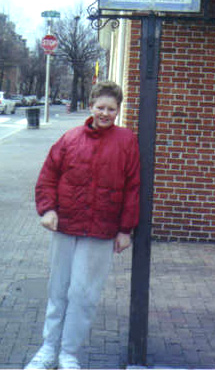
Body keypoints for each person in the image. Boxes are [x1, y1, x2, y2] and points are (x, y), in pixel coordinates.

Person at [24, 81, 140, 370]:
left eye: (111, 109)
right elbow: (48, 176)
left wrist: (125, 229)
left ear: (117, 111)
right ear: (91, 106)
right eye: (100, 107)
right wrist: (48, 209)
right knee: (58, 289)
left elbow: (132, 187)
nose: (105, 113)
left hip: (101, 231)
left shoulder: (126, 142)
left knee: (83, 294)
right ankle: (48, 349)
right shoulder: (69, 139)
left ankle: (69, 353)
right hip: (65, 227)